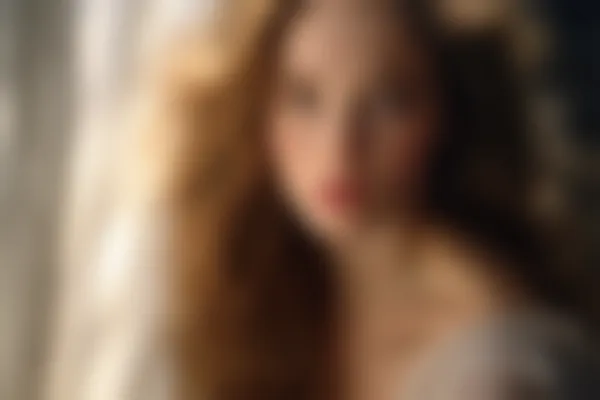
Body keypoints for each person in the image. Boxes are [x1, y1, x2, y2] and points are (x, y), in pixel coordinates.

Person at [139, 1, 597, 399]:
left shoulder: (493, 364)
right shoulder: (270, 287)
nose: (339, 149)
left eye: (388, 101)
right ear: (253, 108)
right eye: (304, 98)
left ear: (445, 114)